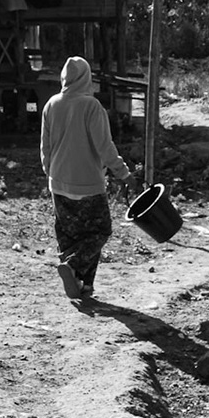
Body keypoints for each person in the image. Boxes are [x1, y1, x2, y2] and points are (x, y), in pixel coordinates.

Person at [40, 55, 131, 302]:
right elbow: (105, 147)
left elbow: (45, 147)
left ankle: (83, 286)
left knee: (70, 236)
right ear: (86, 77)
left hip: (58, 182)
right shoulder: (91, 107)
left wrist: (51, 172)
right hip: (88, 183)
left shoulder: (51, 104)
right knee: (100, 231)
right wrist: (123, 173)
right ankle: (73, 269)